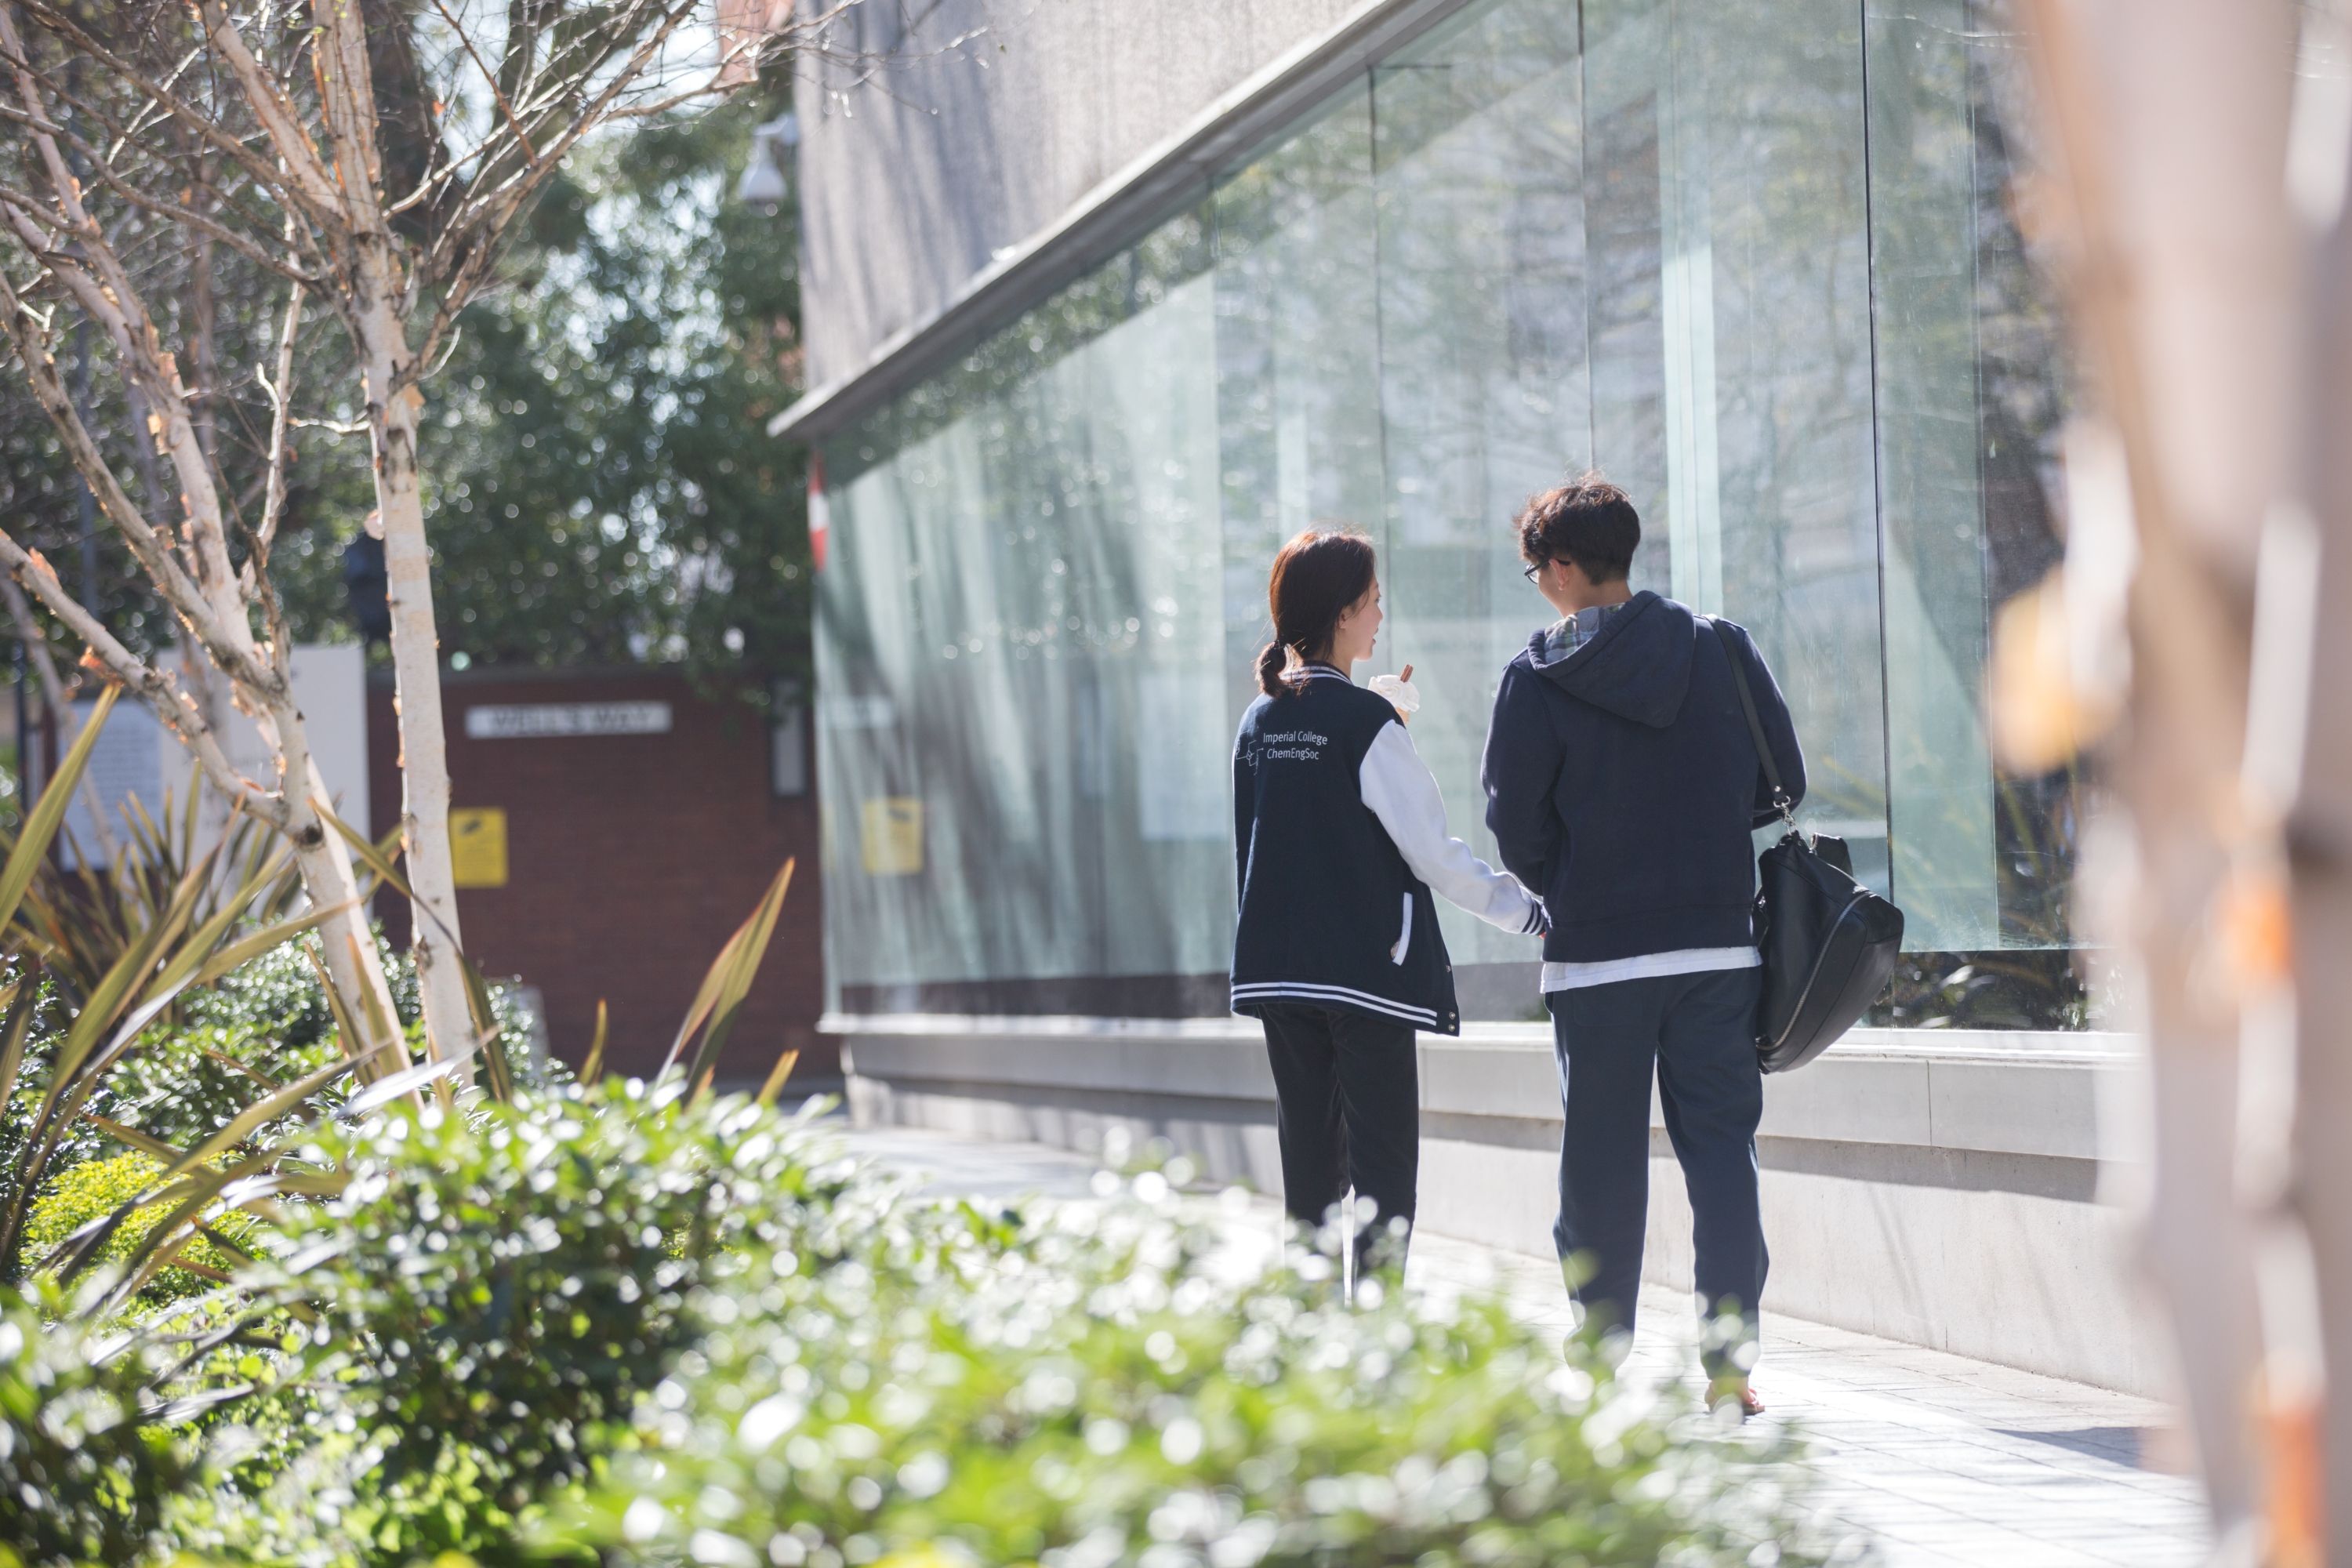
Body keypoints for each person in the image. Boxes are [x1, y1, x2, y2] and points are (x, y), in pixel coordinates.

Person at [1479, 475, 1805, 1415]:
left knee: (1600, 1167)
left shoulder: (1537, 676)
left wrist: (1574, 881)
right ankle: (1730, 1369)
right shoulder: (1720, 647)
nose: (1537, 583)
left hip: (1598, 959)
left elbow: (1516, 826)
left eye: (1537, 567)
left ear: (1570, 567)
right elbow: (1783, 777)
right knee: (1721, 1158)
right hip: (1715, 949)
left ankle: (1595, 1363)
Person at [1232, 527, 1546, 1280]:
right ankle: (1376, 1342)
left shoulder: (1260, 720)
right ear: (1343, 613)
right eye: (1373, 602)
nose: (1381, 617)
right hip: (1364, 977)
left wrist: (1385, 722)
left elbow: (1280, 837)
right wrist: (1527, 912)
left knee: (1308, 1169)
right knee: (1383, 1176)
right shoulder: (1363, 725)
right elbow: (1431, 852)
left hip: (1280, 975)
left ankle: (1308, 1341)